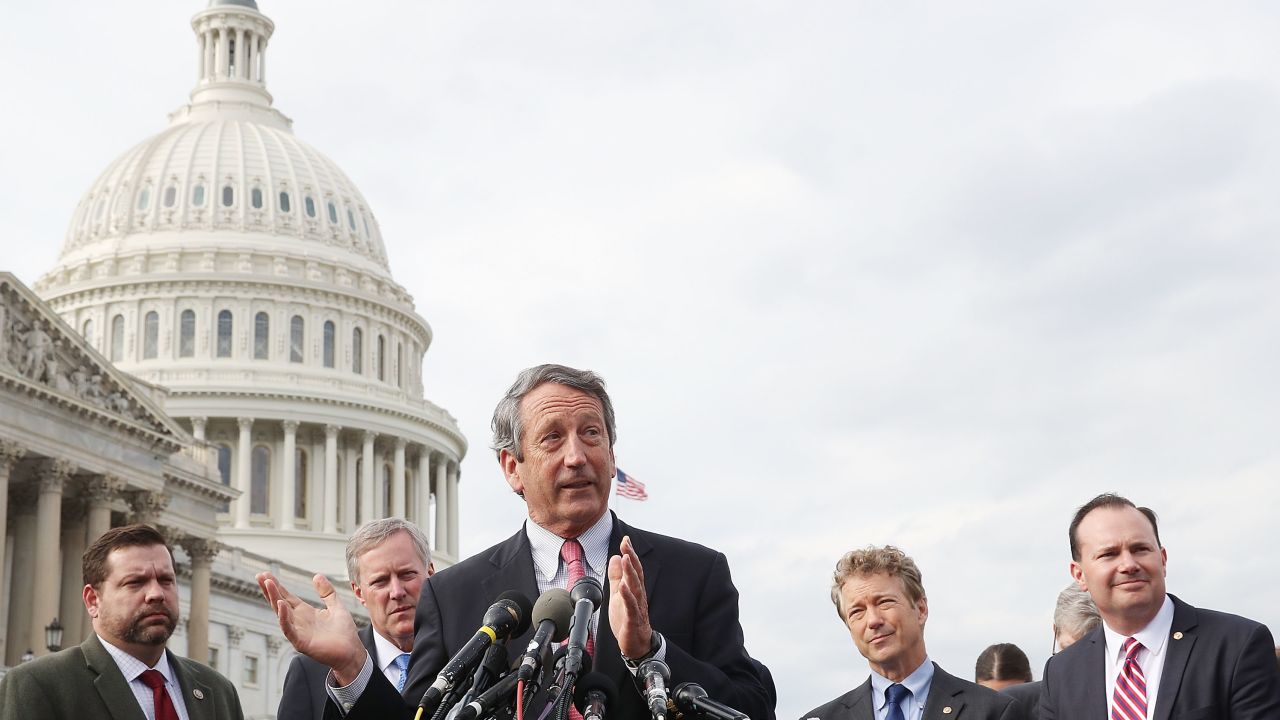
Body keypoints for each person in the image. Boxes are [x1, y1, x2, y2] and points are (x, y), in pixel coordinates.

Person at [258, 364, 774, 720]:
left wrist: (649, 652)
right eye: (552, 437)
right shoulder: (456, 597)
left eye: (591, 434)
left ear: (613, 456)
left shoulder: (694, 573)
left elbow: (752, 706)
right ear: (512, 468)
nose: (576, 456)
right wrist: (354, 668)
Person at [1040, 493, 1280, 719]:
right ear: (1079, 574)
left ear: (1163, 560)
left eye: (1140, 549)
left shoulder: (1236, 645)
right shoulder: (1061, 673)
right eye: (1109, 554)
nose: (1128, 564)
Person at [0, 524, 244, 720]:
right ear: (93, 600)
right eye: (135, 582)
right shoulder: (38, 686)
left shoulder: (218, 691)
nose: (156, 593)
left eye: (166, 580)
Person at [800, 545, 1023, 720]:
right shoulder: (821, 718)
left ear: (921, 609)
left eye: (885, 602)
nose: (873, 620)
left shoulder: (993, 712)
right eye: (857, 611)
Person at [277, 518, 433, 720]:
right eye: (380, 581)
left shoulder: (470, 658)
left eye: (407, 575)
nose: (396, 592)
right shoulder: (311, 672)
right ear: (359, 592)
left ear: (431, 573)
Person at [1000, 585, 1100, 719]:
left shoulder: (1127, 700)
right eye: (1067, 651)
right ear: (1055, 630)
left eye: (1087, 654)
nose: (1076, 665)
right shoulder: (1014, 705)